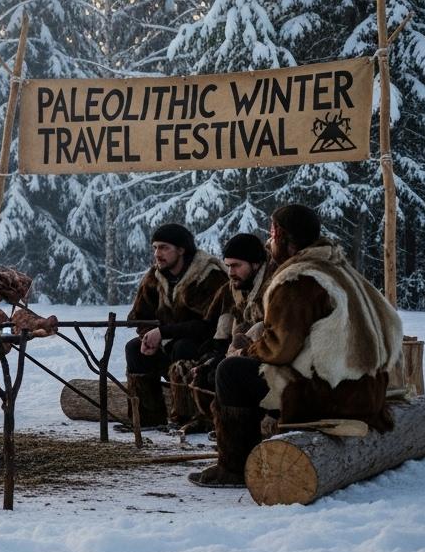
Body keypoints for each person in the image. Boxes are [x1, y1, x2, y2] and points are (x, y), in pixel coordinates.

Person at [190, 204, 402, 487]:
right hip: (370, 389)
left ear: (279, 235)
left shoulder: (297, 279)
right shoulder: (341, 271)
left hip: (331, 395)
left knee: (231, 372)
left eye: (271, 233)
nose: (268, 241)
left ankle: (234, 468)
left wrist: (246, 350)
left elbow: (281, 348)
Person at [124, 223, 228, 428]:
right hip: (168, 344)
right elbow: (140, 316)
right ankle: (147, 419)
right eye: (155, 248)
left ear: (181, 250)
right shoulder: (155, 276)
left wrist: (162, 333)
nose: (157, 253)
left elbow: (209, 324)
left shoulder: (208, 274)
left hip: (206, 350)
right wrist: (149, 337)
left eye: (164, 247)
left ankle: (193, 416)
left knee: (183, 346)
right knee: (134, 348)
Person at [167, 233, 274, 433]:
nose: (230, 272)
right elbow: (215, 330)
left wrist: (237, 351)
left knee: (226, 370)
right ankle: (212, 421)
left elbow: (273, 335)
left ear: (256, 264)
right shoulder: (230, 290)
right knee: (198, 367)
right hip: (237, 351)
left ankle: (238, 431)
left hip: (266, 357)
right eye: (228, 265)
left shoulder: (273, 289)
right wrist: (212, 356)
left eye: (236, 265)